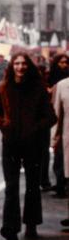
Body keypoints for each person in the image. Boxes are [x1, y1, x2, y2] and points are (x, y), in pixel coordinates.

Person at [0, 52, 56, 240]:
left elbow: (51, 117)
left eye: (23, 64)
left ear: (28, 66)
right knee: (11, 187)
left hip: (33, 144)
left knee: (32, 186)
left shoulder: (38, 89)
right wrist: (4, 124)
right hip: (10, 143)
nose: (20, 67)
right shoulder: (3, 88)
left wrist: (35, 129)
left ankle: (31, 223)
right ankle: (10, 228)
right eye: (17, 64)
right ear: (12, 67)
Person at [49, 53, 69, 198]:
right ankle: (60, 186)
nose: (64, 65)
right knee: (60, 163)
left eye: (66, 62)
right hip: (65, 134)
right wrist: (54, 138)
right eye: (61, 62)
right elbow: (58, 114)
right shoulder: (62, 84)